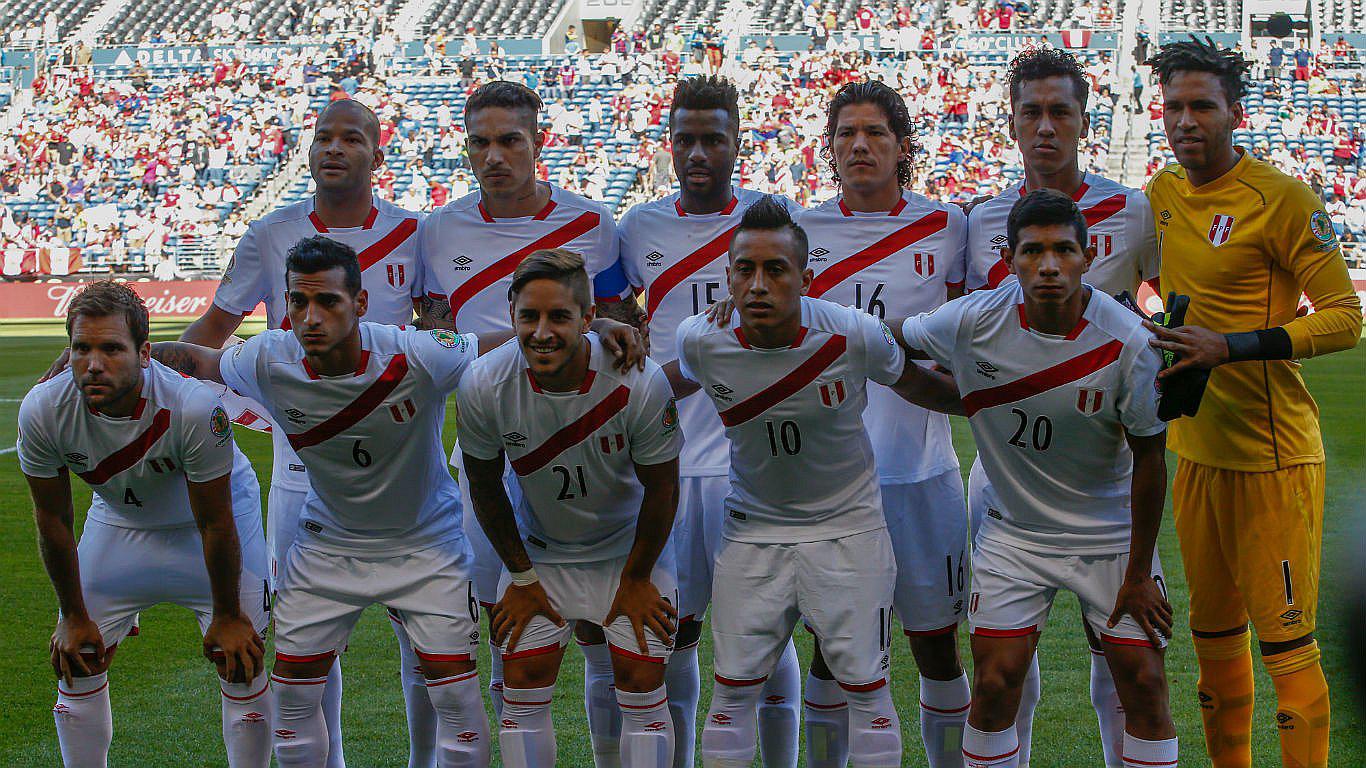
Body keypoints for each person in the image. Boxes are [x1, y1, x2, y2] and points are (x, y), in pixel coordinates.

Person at [150, 237, 644, 768]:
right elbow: (200, 361)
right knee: (292, 712)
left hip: (426, 547)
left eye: (328, 302)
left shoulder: (414, 353)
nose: (310, 318)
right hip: (327, 549)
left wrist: (590, 326)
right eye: (298, 302)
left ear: (360, 304)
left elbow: (508, 343)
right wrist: (118, 350)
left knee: (457, 703)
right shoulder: (268, 356)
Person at [668, 196, 961, 768]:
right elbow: (653, 393)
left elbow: (924, 388)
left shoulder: (853, 334)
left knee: (868, 694)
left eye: (775, 269)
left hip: (849, 532)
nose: (758, 284)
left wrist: (1004, 397)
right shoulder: (701, 339)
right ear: (726, 277)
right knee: (731, 696)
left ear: (806, 278)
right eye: (745, 270)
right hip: (751, 536)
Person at [183, 98, 430, 768]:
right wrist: (142, 372)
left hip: (408, 481)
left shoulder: (417, 234)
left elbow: (441, 334)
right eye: (323, 137)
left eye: (352, 138)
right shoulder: (269, 234)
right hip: (303, 479)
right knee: (305, 645)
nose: (334, 148)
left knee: (429, 645)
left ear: (378, 155)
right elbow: (210, 335)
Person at [897, 188, 1179, 768]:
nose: (1048, 266)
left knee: (1144, 681)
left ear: (1086, 256)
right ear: (1011, 259)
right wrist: (802, 317)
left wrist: (1138, 573)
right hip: (1015, 535)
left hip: (1109, 536)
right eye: (1031, 252)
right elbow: (890, 337)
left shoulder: (1129, 341)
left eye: (1063, 250)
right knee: (997, 683)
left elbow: (1151, 458)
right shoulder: (973, 320)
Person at [1144, 38, 1362, 768]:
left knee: (1288, 652)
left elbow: (1343, 317)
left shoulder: (1284, 199)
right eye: (1173, 106)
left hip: (1273, 460)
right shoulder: (1160, 195)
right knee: (1212, 652)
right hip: (1194, 454)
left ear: (1236, 112)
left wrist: (1231, 347)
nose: (1185, 120)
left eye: (1201, 105)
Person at [418, 80, 643, 757]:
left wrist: (610, 326)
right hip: (492, 450)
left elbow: (624, 328)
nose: (494, 156)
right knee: (508, 621)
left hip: (587, 447)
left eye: (509, 140)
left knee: (603, 629)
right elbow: (433, 328)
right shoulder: (441, 229)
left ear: (538, 142)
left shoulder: (593, 224)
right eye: (480, 143)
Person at [963, 47, 1160, 768]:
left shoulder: (1133, 211)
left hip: (1104, 476)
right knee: (1005, 661)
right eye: (1031, 113)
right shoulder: (981, 219)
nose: (1045, 127)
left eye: (1060, 113)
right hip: (1004, 472)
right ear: (1012, 124)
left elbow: (1159, 307)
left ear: (1084, 121)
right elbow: (959, 326)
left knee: (1124, 656)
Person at [615, 75, 803, 768]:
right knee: (675, 635)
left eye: (712, 139)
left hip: (754, 461)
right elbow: (615, 319)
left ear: (736, 143)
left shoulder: (769, 221)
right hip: (668, 463)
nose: (698, 152)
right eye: (686, 139)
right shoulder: (637, 228)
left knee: (766, 636)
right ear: (670, 144)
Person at [19, 281, 271, 767]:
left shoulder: (194, 407)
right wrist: (72, 615)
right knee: (78, 660)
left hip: (211, 529)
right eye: (81, 348)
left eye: (112, 348)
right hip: (120, 522)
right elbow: (52, 518)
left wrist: (226, 616)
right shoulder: (43, 410)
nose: (94, 363)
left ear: (145, 353)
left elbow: (216, 521)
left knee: (241, 661)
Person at [795, 80, 970, 768]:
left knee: (935, 643)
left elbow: (967, 339)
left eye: (874, 133)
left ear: (903, 147)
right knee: (832, 647)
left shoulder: (946, 226)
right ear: (830, 148)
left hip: (922, 471)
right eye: (845, 134)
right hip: (832, 478)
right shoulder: (800, 230)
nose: (859, 145)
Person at [457, 249, 683, 767]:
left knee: (642, 683)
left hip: (628, 556)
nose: (541, 332)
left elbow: (664, 488)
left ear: (587, 319)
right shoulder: (484, 383)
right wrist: (522, 578)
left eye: (559, 316)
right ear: (511, 314)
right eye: (528, 317)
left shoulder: (638, 380)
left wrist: (637, 578)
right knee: (520, 684)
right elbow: (484, 485)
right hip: (543, 556)